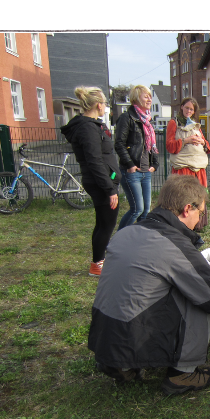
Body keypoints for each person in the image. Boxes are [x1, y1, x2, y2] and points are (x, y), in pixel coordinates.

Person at [89, 175, 210, 396]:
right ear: (187, 209)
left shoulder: (127, 232)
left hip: (104, 336)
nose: (200, 219)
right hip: (132, 335)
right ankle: (183, 373)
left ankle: (122, 364)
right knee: (202, 298)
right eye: (201, 212)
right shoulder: (172, 245)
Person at [60, 86, 120, 277]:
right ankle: (97, 265)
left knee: (102, 223)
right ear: (98, 104)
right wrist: (110, 189)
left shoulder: (92, 125)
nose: (105, 107)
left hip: (103, 181)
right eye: (104, 103)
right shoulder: (87, 128)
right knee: (106, 224)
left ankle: (99, 261)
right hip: (101, 183)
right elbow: (95, 161)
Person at [114, 85, 159, 231]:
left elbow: (151, 146)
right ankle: (119, 240)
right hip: (132, 172)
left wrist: (155, 164)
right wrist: (129, 164)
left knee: (146, 211)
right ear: (136, 98)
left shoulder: (147, 120)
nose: (149, 99)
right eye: (145, 96)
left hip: (146, 172)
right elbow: (119, 143)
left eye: (150, 96)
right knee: (137, 209)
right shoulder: (127, 118)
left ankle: (138, 239)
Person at [166, 97, 210, 231]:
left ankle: (197, 224)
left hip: (198, 168)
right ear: (181, 107)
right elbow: (169, 146)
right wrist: (186, 140)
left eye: (192, 109)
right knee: (184, 195)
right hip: (183, 168)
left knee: (198, 195)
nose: (189, 111)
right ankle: (181, 225)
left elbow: (207, 147)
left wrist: (203, 143)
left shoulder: (196, 125)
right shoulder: (174, 123)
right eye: (187, 108)